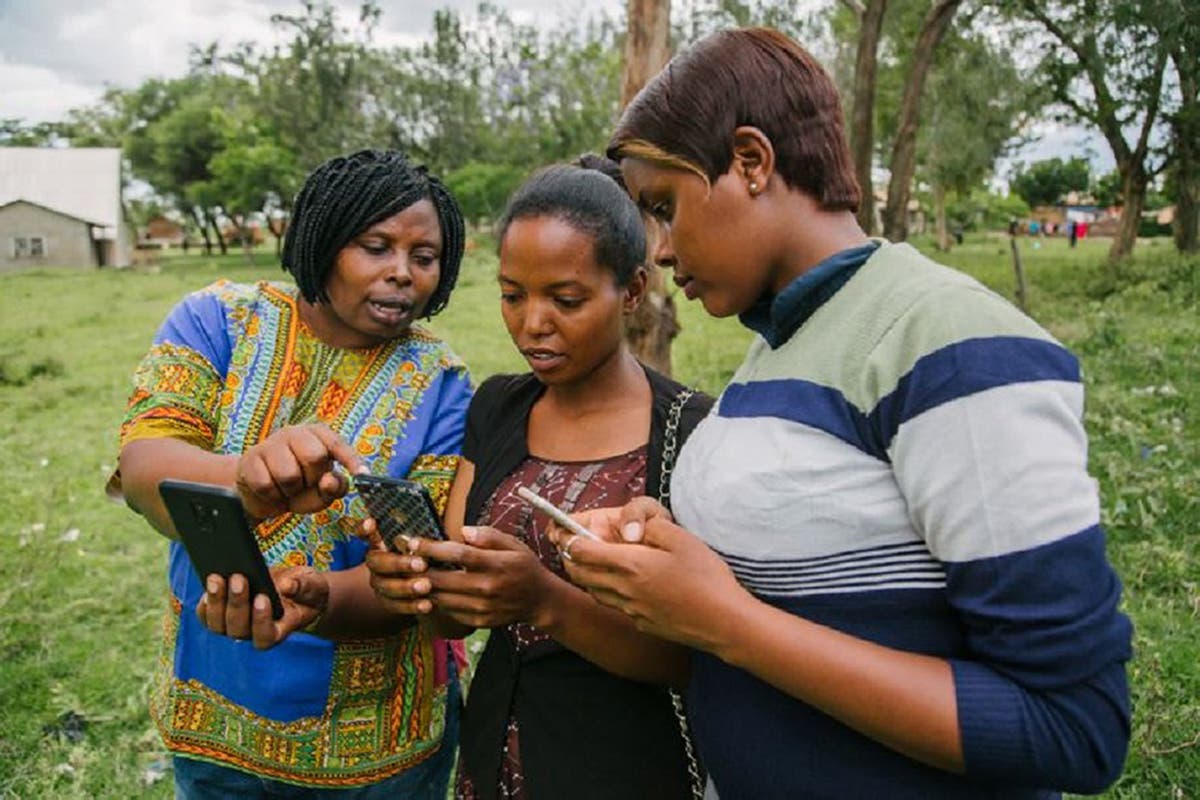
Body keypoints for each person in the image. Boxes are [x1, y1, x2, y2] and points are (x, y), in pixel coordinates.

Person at [553, 28, 1133, 799]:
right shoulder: (778, 346)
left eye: (665, 206)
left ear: (752, 162)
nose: (657, 250)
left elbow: (1073, 726)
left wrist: (729, 623)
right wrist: (665, 545)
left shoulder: (947, 343)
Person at [110, 150, 472, 798]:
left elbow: (419, 573)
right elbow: (144, 469)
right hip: (216, 716)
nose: (402, 274)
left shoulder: (442, 383)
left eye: (424, 256)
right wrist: (245, 482)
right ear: (325, 238)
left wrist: (325, 599)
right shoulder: (216, 320)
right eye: (376, 246)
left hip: (377, 747)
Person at [363, 162, 713, 800]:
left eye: (566, 299)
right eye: (512, 294)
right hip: (494, 758)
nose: (532, 323)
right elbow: (452, 619)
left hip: (628, 767)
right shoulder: (498, 406)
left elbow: (697, 656)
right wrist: (412, 581)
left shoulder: (691, 431)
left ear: (632, 291)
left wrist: (544, 601)